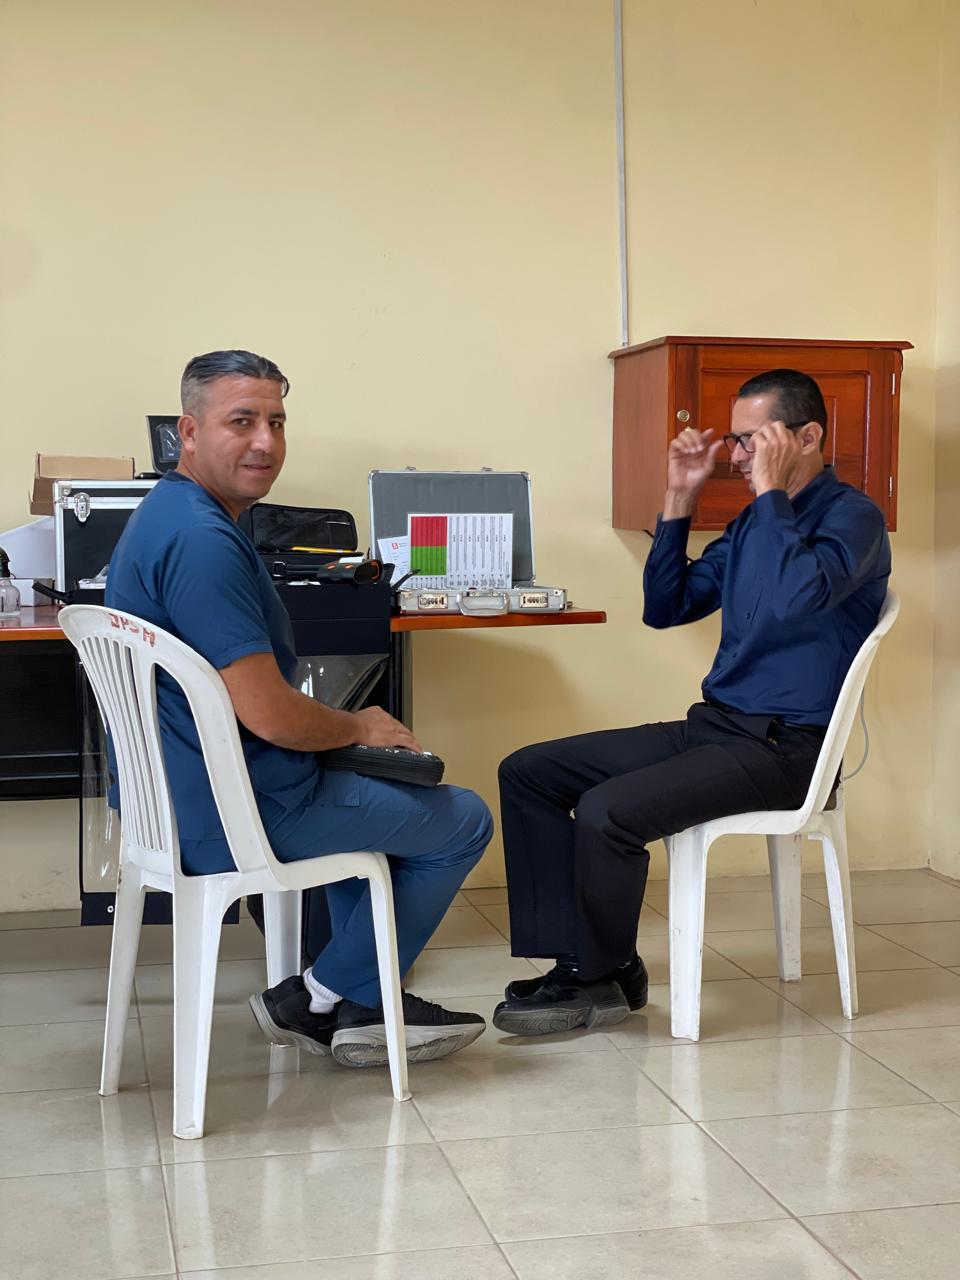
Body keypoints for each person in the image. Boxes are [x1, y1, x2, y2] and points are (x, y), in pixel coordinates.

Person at [106, 349, 492, 1066]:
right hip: (232, 814)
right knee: (461, 819)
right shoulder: (203, 542)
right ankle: (315, 997)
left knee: (376, 792)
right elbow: (273, 718)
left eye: (277, 422)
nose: (265, 442)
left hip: (176, 801)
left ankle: (363, 1006)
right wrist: (360, 723)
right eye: (241, 421)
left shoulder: (167, 512)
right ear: (188, 431)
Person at [493, 368, 891, 1035]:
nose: (738, 457)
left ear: (808, 437)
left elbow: (799, 595)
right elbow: (667, 606)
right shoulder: (752, 524)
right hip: (717, 729)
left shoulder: (854, 518)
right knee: (530, 771)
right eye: (736, 442)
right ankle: (595, 962)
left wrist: (771, 495)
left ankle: (594, 978)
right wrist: (678, 499)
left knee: (607, 812)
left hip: (789, 750)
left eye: (753, 440)